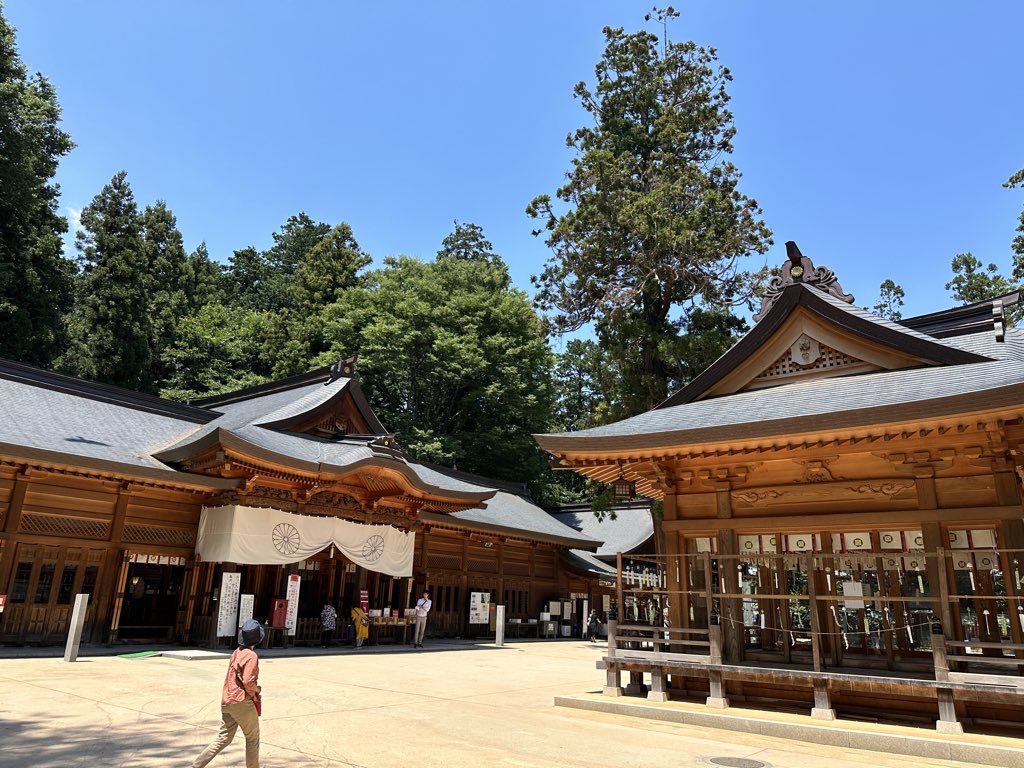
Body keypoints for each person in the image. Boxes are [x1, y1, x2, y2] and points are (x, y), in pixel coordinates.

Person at [191, 619, 264, 768]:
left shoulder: (237, 652)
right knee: (252, 738)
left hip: (227, 700)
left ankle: (196, 765)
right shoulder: (251, 656)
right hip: (241, 701)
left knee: (223, 738)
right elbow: (248, 681)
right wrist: (257, 690)